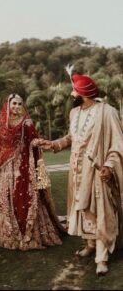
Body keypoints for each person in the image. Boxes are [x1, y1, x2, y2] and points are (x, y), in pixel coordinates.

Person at [40, 69, 123, 275]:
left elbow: (118, 143)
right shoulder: (74, 113)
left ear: (82, 92)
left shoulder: (107, 112)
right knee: (80, 208)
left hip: (95, 171)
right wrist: (53, 144)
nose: (70, 93)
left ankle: (101, 258)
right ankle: (90, 245)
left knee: (99, 210)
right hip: (75, 172)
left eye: (73, 90)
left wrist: (109, 166)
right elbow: (71, 138)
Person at [0, 94, 64, 251]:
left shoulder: (26, 122)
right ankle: (10, 236)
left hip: (22, 168)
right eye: (14, 103)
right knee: (5, 199)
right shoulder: (1, 124)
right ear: (8, 104)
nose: (17, 107)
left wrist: (38, 142)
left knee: (24, 199)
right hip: (4, 169)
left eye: (20, 104)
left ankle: (29, 236)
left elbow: (32, 139)